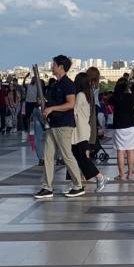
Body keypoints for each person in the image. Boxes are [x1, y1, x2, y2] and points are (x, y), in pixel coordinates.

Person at [33, 56, 86, 200]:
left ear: (61, 67)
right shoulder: (56, 84)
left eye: (54, 64)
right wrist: (44, 103)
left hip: (63, 124)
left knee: (66, 155)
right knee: (48, 156)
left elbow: (70, 104)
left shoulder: (68, 84)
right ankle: (47, 187)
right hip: (53, 124)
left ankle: (78, 185)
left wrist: (52, 109)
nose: (51, 67)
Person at [69, 72, 107, 193]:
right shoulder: (87, 94)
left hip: (79, 132)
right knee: (77, 157)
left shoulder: (80, 95)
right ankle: (77, 183)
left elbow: (73, 111)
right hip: (83, 130)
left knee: (79, 158)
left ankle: (99, 177)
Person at [109, 77, 134, 180]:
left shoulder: (115, 97)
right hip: (131, 125)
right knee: (131, 151)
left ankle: (121, 175)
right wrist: (129, 91)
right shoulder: (131, 97)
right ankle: (130, 174)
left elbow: (110, 102)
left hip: (119, 126)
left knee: (120, 151)